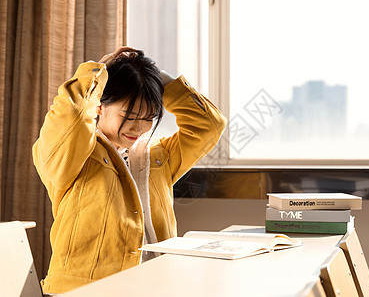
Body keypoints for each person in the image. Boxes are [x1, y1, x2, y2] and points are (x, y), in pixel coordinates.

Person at [32, 47, 227, 294]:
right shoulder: (73, 154)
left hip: (155, 287)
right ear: (99, 106)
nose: (138, 128)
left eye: (149, 117)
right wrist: (96, 73)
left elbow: (210, 124)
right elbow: (70, 114)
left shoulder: (158, 157)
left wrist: (158, 79)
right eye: (129, 115)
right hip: (85, 291)